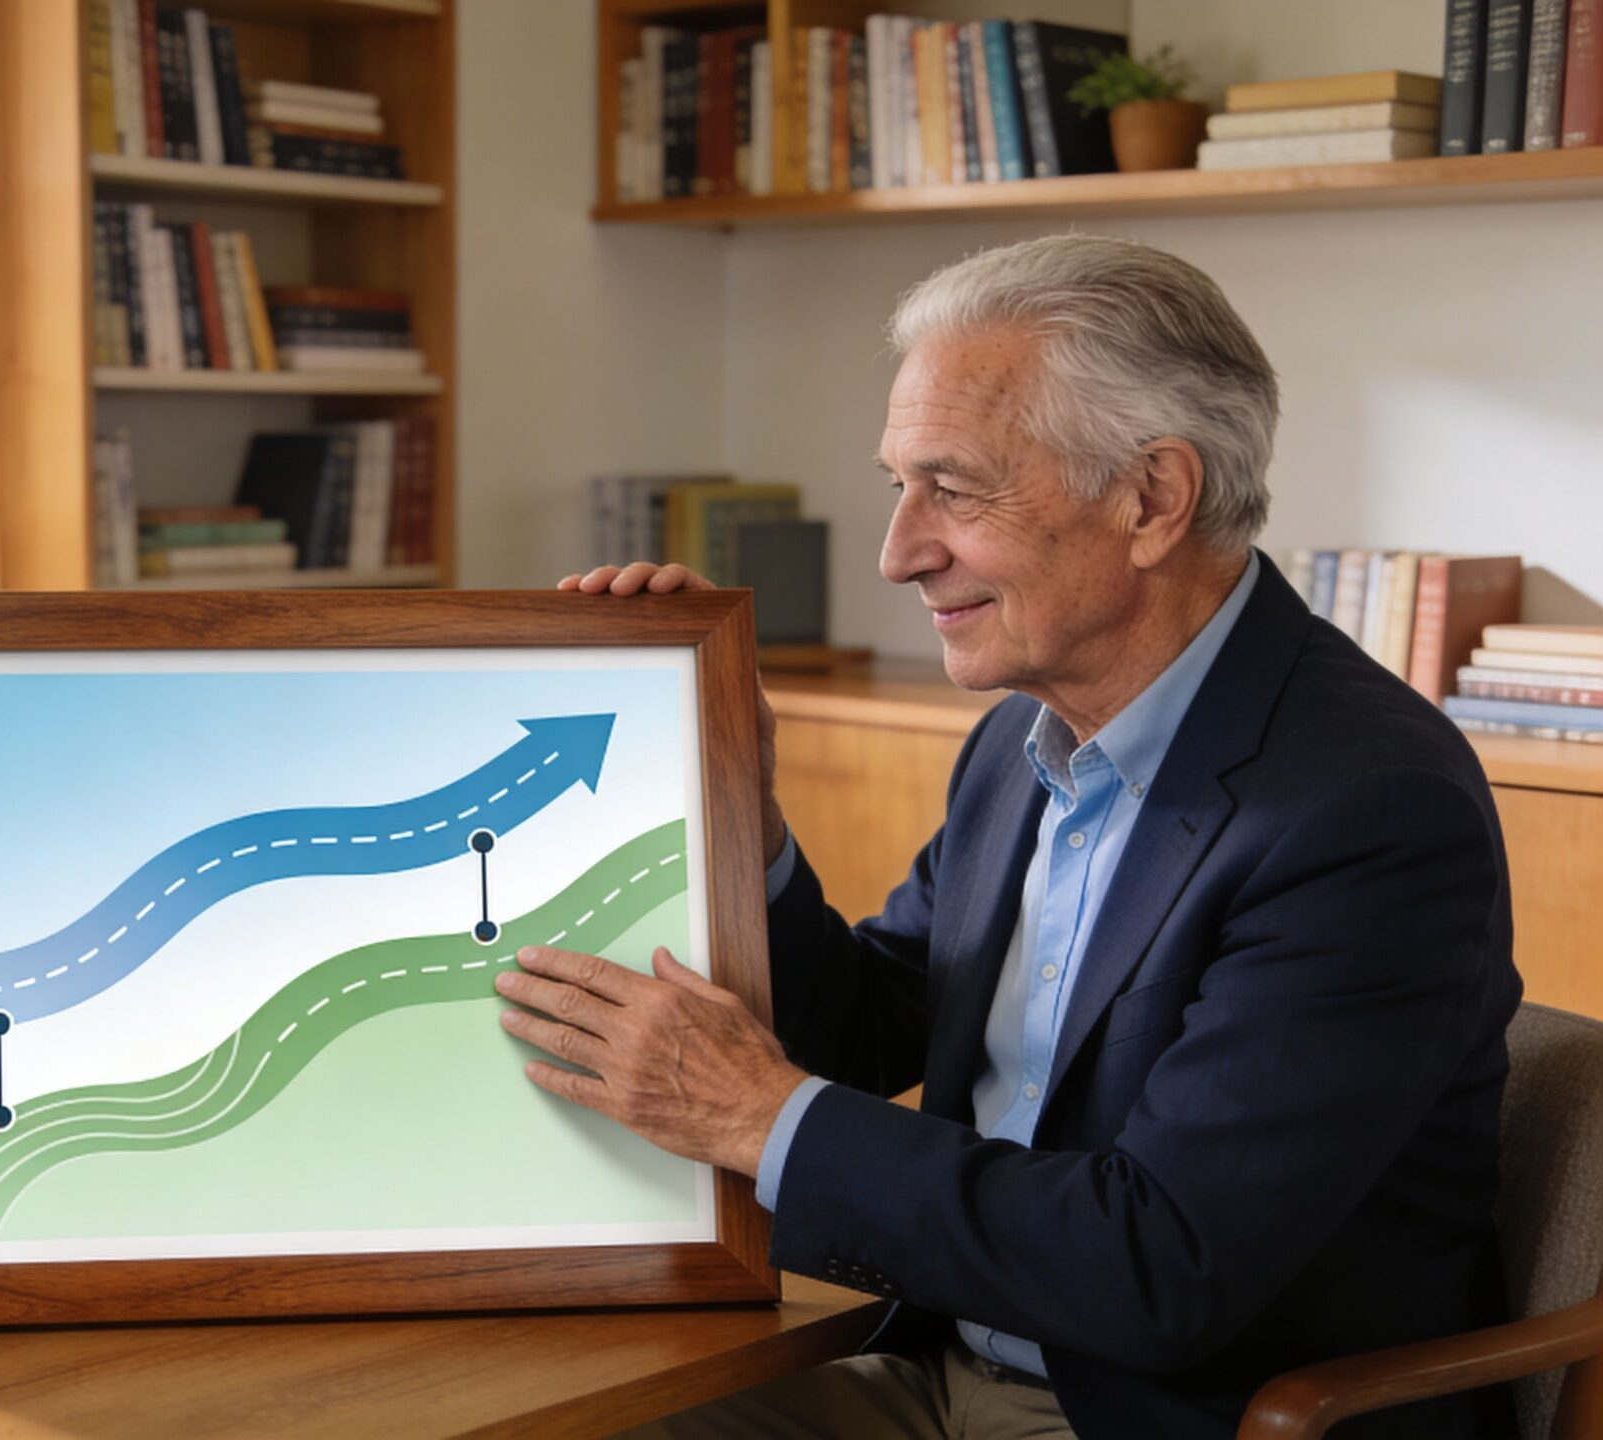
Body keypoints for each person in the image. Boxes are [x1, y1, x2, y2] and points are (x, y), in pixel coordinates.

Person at [516, 234, 1519, 1438]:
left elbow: (1163, 1267)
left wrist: (752, 1115)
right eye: (899, 484)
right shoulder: (1022, 737)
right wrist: (739, 804)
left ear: (1151, 497)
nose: (898, 551)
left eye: (954, 485)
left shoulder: (1366, 808)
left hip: (1172, 1413)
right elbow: (870, 1023)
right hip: (940, 1362)